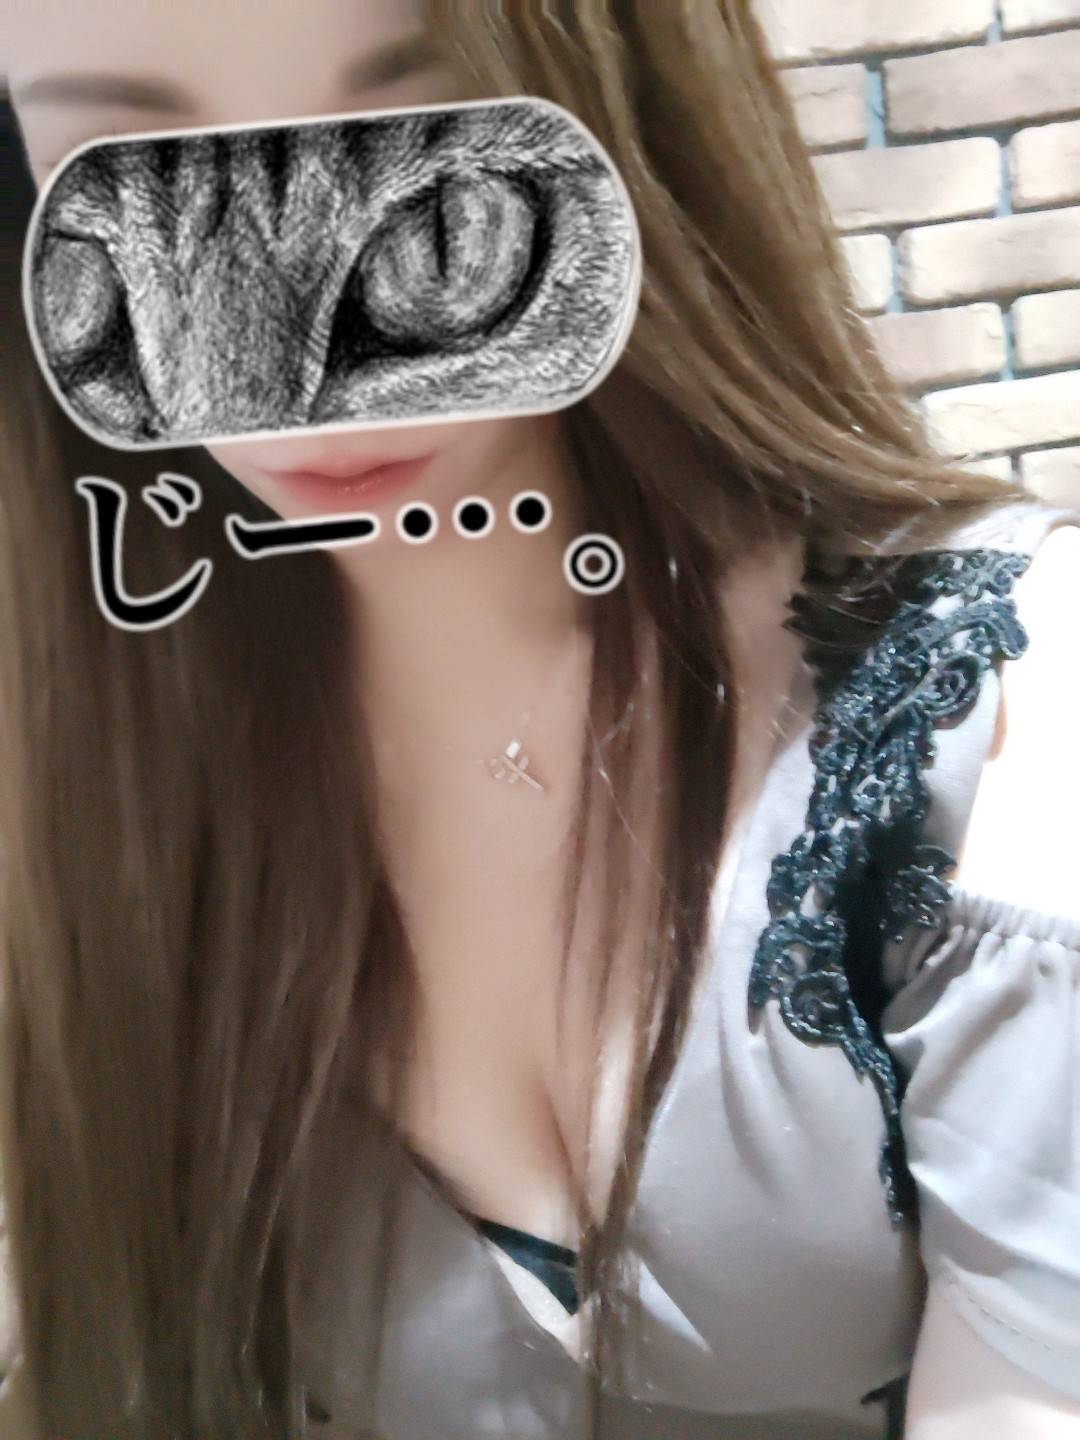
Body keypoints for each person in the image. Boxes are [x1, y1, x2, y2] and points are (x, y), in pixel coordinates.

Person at [1, 2, 1079, 1437]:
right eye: (130, 164)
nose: (299, 345)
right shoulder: (77, 790)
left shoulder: (994, 701)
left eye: (427, 145)